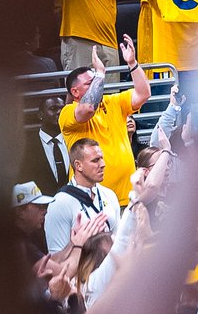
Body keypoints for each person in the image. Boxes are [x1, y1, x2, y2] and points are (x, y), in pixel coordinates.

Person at [59, 42, 151, 206]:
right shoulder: (67, 112)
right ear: (75, 92)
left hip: (127, 197)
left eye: (98, 82)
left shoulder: (113, 101)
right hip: (92, 202)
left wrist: (132, 63)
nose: (98, 85)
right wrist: (100, 74)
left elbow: (144, 93)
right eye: (90, 83)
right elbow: (87, 108)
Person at [43, 137, 121, 253]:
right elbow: (57, 257)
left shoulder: (109, 195)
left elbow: (119, 242)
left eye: (102, 159)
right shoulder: (60, 203)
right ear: (78, 165)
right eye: (95, 160)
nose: (103, 164)